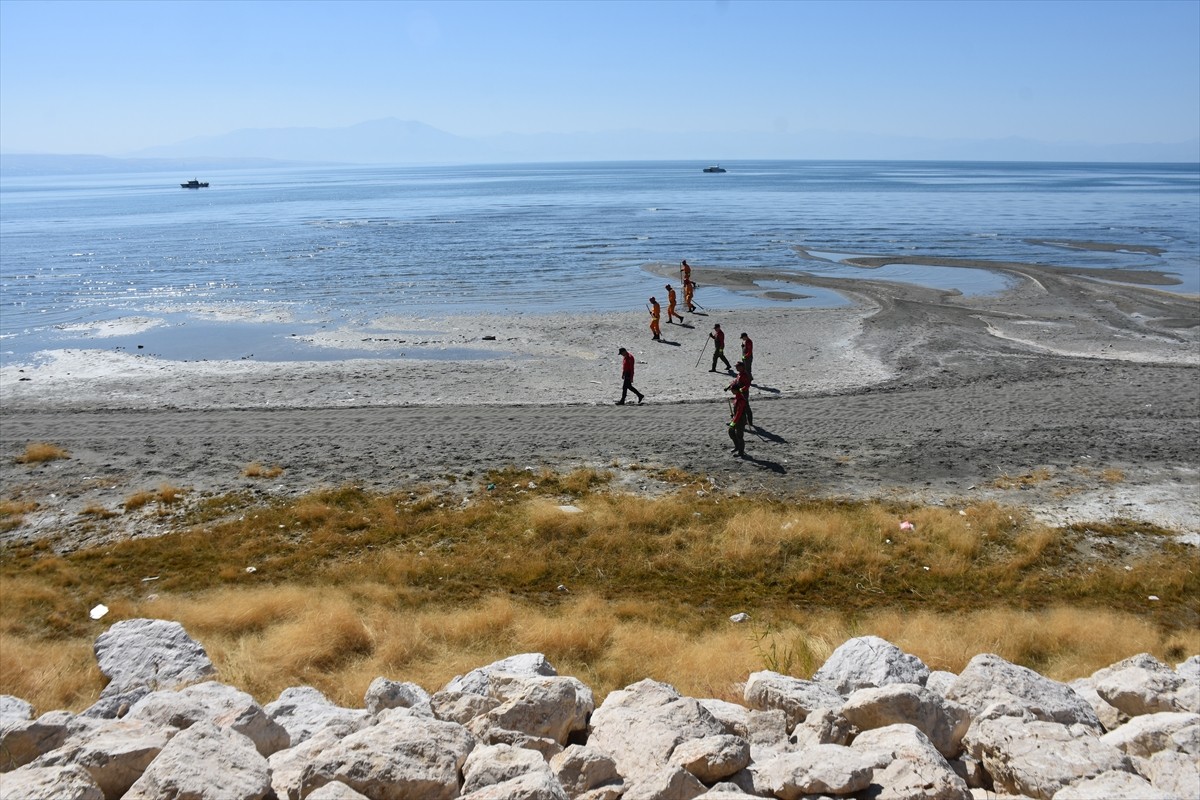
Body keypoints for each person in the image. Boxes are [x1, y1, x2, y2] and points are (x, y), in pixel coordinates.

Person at [726, 360, 753, 428]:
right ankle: (736, 421)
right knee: (737, 407)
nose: (736, 368)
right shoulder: (739, 374)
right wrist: (729, 386)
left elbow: (747, 384)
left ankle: (749, 422)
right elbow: (735, 381)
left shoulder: (745, 375)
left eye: (737, 367)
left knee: (745, 407)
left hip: (744, 393)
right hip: (738, 393)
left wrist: (742, 389)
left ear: (741, 367)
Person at [728, 389, 749, 457]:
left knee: (739, 436)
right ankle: (737, 447)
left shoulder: (741, 399)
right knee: (731, 432)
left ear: (736, 390)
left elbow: (739, 413)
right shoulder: (737, 396)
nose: (731, 391)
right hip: (735, 419)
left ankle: (741, 452)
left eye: (732, 389)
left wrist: (733, 422)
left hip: (740, 420)